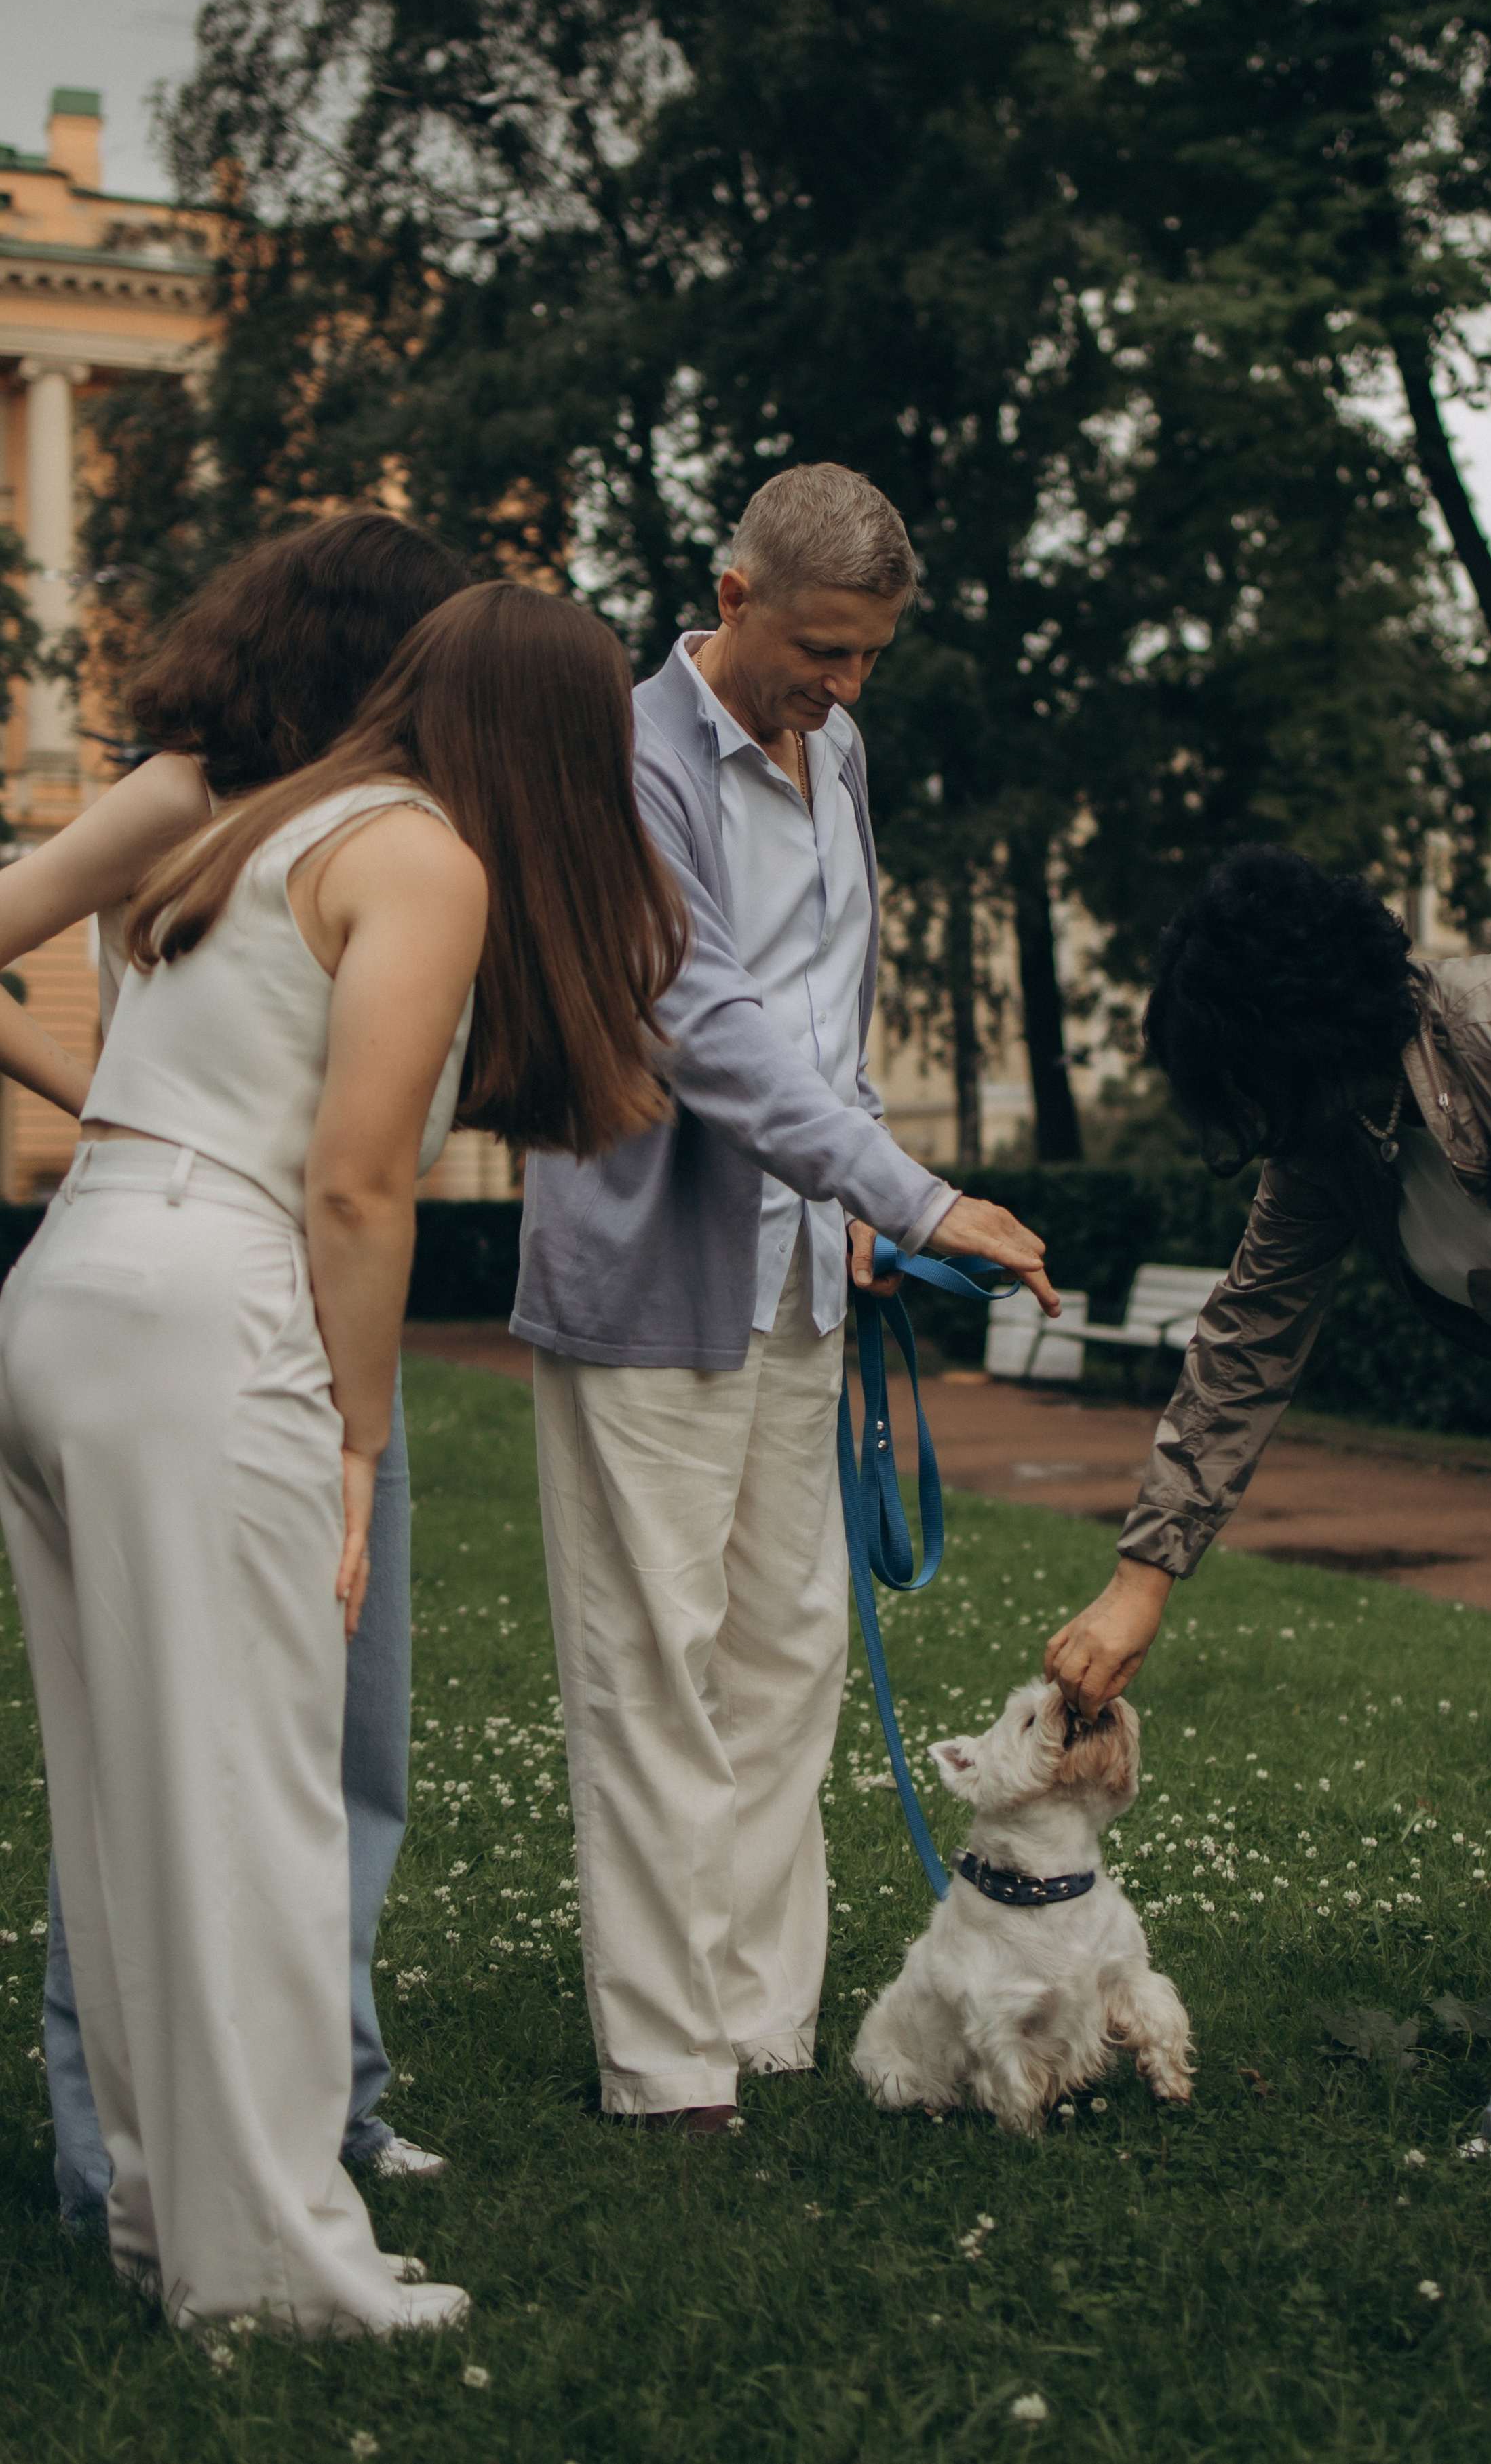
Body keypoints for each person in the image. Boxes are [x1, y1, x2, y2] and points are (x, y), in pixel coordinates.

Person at [0, 580, 686, 2330]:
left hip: (68, 1289)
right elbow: (356, 1181)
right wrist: (360, 1434)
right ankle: (280, 2266)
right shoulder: (427, 856)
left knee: (130, 1808)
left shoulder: (258, 817)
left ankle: (166, 2217)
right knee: (251, 1809)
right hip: (205, 1308)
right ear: (557, 746)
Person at [1044, 841, 1491, 2191]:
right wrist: (1143, 1578)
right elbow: (1243, 1343)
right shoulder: (1330, 1150)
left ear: (1299, 1039)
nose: (1240, 1122)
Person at [514, 463, 1057, 2130]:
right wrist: (915, 1190)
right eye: (820, 649)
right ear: (732, 596)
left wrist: (861, 1207)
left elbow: (829, 1013)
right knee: (651, 1661)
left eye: (869, 660)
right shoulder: (623, 750)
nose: (841, 687)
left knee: (788, 1653)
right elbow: (705, 1016)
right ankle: (661, 2055)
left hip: (805, 1278)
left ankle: (760, 2018)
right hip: (650, 1272)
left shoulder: (841, 750)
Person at [0, 515, 471, 2229]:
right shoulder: (199, 792)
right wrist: (103, 1110)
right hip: (222, 1296)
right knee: (171, 1740)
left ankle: (311, 2100)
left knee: (339, 1736)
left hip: (278, 1297)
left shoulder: (361, 830)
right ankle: (117, 2147)